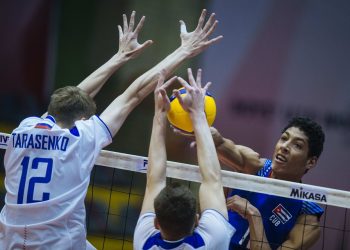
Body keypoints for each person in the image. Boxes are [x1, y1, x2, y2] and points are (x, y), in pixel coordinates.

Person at [0, 9, 222, 249]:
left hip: (10, 242)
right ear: (81, 119)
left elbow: (71, 100)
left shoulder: (23, 130)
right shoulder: (82, 139)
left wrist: (120, 57)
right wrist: (184, 51)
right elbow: (133, 95)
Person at [133, 68, 235, 250]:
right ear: (197, 220)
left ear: (156, 223)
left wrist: (160, 114)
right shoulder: (212, 241)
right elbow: (212, 179)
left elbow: (154, 180)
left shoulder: (144, 243)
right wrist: (197, 114)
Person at [210, 117, 325, 249]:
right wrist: (204, 130)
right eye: (284, 138)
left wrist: (253, 215)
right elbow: (219, 143)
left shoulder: (307, 216)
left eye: (297, 145)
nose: (285, 146)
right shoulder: (255, 167)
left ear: (310, 162)